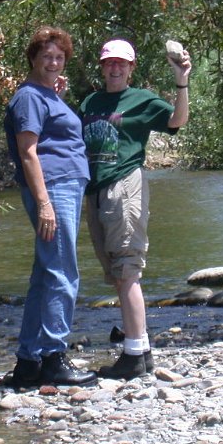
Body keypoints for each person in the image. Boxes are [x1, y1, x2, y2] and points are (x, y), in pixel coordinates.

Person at [79, 38, 191, 380]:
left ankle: (137, 353)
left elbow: (177, 121)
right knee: (114, 272)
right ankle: (136, 349)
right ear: (102, 67)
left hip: (124, 186)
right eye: (109, 63)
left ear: (131, 68)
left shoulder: (142, 100)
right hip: (95, 190)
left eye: (121, 64)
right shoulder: (90, 102)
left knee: (128, 268)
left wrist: (182, 80)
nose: (115, 68)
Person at [2, 26, 96, 388]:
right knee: (62, 272)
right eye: (47, 56)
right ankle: (54, 357)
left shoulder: (46, 94)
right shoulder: (29, 97)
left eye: (59, 57)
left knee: (45, 275)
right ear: (33, 58)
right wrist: (44, 203)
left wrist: (56, 93)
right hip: (53, 188)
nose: (54, 62)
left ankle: (28, 363)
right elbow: (28, 152)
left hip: (65, 186)